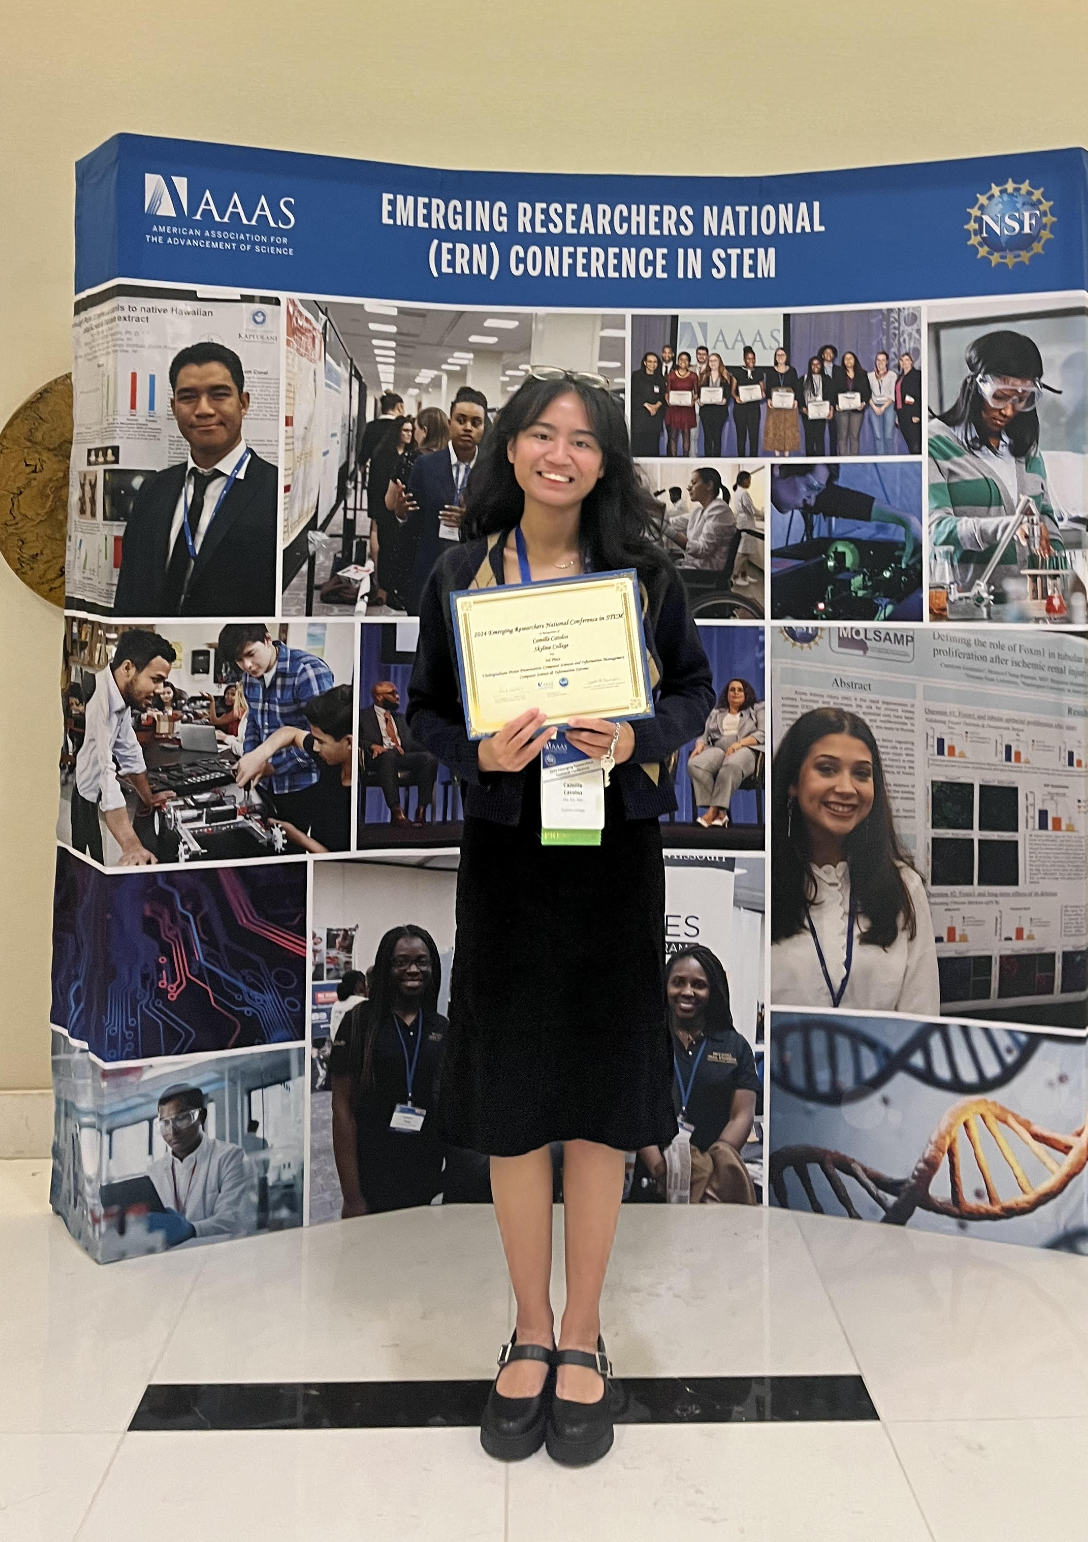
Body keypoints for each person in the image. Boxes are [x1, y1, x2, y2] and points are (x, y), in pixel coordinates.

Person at [406, 371, 712, 1467]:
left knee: (595, 1093)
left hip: (610, 856)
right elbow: (425, 712)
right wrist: (476, 750)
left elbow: (693, 690)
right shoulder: (461, 572)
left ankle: (584, 1332)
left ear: (606, 461)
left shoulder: (645, 574)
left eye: (584, 439)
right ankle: (527, 1327)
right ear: (512, 450)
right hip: (509, 859)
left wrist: (637, 738)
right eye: (543, 433)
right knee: (516, 1095)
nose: (560, 453)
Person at [770, 708, 938, 1013]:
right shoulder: (763, 878)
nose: (846, 788)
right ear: (793, 781)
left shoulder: (903, 888)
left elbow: (920, 1016)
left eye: (861, 773)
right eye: (827, 769)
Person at [112, 342, 279, 615]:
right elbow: (130, 589)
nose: (203, 409)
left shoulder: (274, 492)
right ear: (174, 406)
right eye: (188, 397)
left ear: (243, 403)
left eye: (218, 394)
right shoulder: (154, 489)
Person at [927, 330, 1076, 598]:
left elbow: (1047, 520)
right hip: (968, 609)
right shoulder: (935, 443)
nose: (1008, 410)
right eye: (999, 397)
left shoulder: (1026, 449)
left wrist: (1054, 578)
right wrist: (1005, 527)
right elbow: (936, 531)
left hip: (1032, 608)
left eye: (1021, 399)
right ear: (976, 386)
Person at [328, 925, 449, 1217]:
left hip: (428, 1177)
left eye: (422, 961)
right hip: (372, 1177)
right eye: (401, 961)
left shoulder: (440, 1027)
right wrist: (352, 1196)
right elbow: (342, 1109)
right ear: (386, 967)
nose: (413, 969)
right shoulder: (360, 1021)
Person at [636, 948, 758, 1204]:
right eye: (678, 982)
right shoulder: (645, 1042)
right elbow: (635, 1107)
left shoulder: (735, 1047)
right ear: (665, 987)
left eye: (698, 985)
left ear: (712, 991)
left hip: (714, 1189)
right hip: (653, 1183)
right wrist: (660, 1170)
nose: (687, 992)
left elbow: (742, 1114)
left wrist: (713, 1167)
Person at [70, 629, 179, 867]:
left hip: (94, 792)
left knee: (96, 856)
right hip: (85, 794)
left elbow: (129, 750)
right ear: (128, 668)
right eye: (156, 679)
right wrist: (132, 845)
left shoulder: (122, 695)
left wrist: (148, 797)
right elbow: (105, 771)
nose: (160, 689)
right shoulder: (100, 698)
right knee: (84, 863)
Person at [218, 623, 335, 842]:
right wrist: (251, 756)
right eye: (239, 661)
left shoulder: (307, 672)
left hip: (301, 787)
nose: (247, 666)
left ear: (268, 640)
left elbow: (325, 744)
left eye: (250, 654)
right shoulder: (249, 676)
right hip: (264, 786)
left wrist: (271, 766)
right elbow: (254, 719)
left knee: (290, 849)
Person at [391, 388, 488, 601]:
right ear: (449, 423)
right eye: (461, 420)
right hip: (430, 564)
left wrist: (469, 520)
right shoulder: (426, 465)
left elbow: (499, 524)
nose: (467, 428)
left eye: (475, 423)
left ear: (483, 427)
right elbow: (413, 523)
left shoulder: (491, 471)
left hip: (476, 569)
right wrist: (401, 514)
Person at [236, 681, 355, 853]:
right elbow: (291, 733)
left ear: (349, 742)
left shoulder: (357, 799)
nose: (314, 748)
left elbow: (339, 862)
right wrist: (259, 756)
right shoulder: (330, 755)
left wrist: (298, 837)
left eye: (321, 742)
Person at [144, 1085, 257, 1242]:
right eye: (165, 1123)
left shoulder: (230, 1157)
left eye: (181, 1118)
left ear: (201, 1116)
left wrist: (191, 1230)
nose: (172, 1131)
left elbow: (234, 1220)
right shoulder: (153, 1172)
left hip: (217, 1256)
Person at [771, 464, 921, 569]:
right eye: (810, 487)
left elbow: (844, 501)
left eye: (818, 493)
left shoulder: (806, 496)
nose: (811, 501)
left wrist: (908, 519)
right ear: (779, 468)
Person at [687, 677, 764, 828]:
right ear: (727, 694)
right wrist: (700, 744)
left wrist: (739, 744)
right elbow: (704, 733)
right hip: (719, 749)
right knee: (695, 764)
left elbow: (763, 733)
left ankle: (712, 812)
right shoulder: (716, 712)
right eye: (732, 690)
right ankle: (720, 814)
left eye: (739, 689)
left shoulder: (757, 708)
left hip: (746, 748)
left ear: (746, 692)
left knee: (730, 766)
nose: (735, 692)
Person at [360, 679, 440, 825]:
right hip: (378, 758)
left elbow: (411, 743)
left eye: (396, 693)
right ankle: (396, 810)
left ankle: (421, 811)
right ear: (378, 696)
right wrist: (372, 745)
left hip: (401, 755)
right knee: (388, 756)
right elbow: (355, 739)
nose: (397, 696)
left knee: (429, 758)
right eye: (392, 693)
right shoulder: (363, 717)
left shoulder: (400, 718)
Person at [368, 414, 419, 610]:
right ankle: (383, 588)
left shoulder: (410, 454)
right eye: (405, 430)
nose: (408, 434)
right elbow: (376, 484)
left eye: (411, 431)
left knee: (398, 550)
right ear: (397, 432)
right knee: (386, 549)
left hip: (402, 511)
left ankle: (393, 589)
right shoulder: (384, 454)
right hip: (384, 508)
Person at [676, 467, 737, 572]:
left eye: (694, 483)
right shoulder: (699, 510)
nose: (688, 488)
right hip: (694, 565)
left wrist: (669, 532)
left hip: (707, 573)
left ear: (709, 485)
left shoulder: (720, 510)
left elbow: (702, 550)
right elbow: (673, 522)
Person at [762, 348, 803, 456]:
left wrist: (796, 400)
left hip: (789, 405)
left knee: (788, 427)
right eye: (778, 355)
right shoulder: (770, 371)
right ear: (775, 357)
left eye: (782, 354)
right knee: (775, 426)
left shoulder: (792, 371)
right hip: (775, 405)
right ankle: (776, 452)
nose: (780, 356)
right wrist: (768, 399)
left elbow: (797, 387)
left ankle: (787, 452)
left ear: (786, 357)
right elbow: (768, 387)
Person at [358, 391, 406, 478]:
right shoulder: (403, 426)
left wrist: (362, 462)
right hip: (397, 475)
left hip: (376, 473)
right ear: (399, 406)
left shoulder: (372, 425)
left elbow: (366, 449)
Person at [662, 351, 699, 458]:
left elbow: (696, 393)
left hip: (687, 409)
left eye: (686, 360)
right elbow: (667, 392)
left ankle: (685, 457)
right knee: (673, 435)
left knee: (686, 434)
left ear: (689, 362)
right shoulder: (671, 375)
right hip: (674, 408)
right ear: (678, 361)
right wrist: (668, 399)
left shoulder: (693, 376)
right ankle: (673, 458)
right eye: (681, 359)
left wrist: (693, 400)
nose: (683, 362)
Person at [731, 470, 766, 581]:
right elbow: (751, 509)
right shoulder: (744, 493)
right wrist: (763, 513)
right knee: (743, 554)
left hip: (742, 524)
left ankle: (744, 575)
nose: (750, 482)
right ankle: (735, 577)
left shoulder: (737, 492)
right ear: (744, 480)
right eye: (749, 480)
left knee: (746, 552)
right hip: (746, 525)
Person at [697, 350, 732, 458]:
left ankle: (717, 458)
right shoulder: (703, 376)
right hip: (706, 411)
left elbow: (728, 393)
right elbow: (698, 392)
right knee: (708, 436)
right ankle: (707, 459)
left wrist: (725, 400)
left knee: (717, 436)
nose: (713, 363)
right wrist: (699, 400)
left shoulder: (726, 376)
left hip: (719, 411)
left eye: (715, 360)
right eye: (710, 360)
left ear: (719, 362)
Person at [630, 351, 665, 457]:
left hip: (654, 418)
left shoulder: (660, 378)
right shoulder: (636, 376)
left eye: (655, 362)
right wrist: (647, 406)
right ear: (645, 362)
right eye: (650, 361)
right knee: (639, 447)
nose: (652, 364)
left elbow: (663, 396)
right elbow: (634, 394)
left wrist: (656, 406)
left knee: (653, 447)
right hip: (640, 417)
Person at [731, 347, 764, 457]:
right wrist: (736, 397)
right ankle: (741, 459)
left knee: (754, 436)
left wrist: (762, 394)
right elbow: (732, 391)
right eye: (748, 359)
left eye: (753, 359)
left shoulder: (759, 373)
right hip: (740, 408)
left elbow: (762, 390)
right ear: (744, 359)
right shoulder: (737, 372)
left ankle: (753, 459)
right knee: (741, 435)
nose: (751, 361)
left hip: (754, 408)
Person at [833, 350, 867, 455]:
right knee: (842, 436)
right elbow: (833, 391)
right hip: (842, 410)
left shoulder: (862, 374)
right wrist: (835, 404)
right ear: (843, 361)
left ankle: (853, 461)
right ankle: (843, 461)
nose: (848, 360)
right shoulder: (838, 374)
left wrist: (863, 403)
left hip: (857, 410)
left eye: (850, 358)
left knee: (854, 436)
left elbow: (867, 391)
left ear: (855, 360)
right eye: (846, 358)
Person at [867, 351, 898, 455]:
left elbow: (893, 394)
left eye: (883, 360)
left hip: (888, 406)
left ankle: (890, 461)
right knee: (878, 436)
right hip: (873, 406)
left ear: (887, 362)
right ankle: (880, 461)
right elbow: (867, 394)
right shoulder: (869, 376)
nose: (880, 362)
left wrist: (883, 407)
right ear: (875, 362)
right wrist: (875, 407)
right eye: (878, 360)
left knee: (888, 436)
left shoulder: (892, 375)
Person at [801, 355, 833, 457]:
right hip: (808, 413)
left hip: (821, 413)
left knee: (820, 438)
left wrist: (830, 410)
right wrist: (803, 408)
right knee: (809, 438)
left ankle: (820, 463)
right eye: (813, 364)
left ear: (821, 366)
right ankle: (809, 464)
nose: (815, 366)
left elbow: (831, 396)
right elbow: (798, 395)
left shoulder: (827, 379)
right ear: (810, 366)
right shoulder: (804, 378)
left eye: (818, 364)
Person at [894, 350, 923, 455]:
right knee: (909, 443)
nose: (904, 362)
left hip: (912, 415)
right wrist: (897, 414)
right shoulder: (900, 377)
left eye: (907, 360)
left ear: (912, 361)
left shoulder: (917, 375)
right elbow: (898, 397)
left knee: (915, 444)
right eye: (902, 360)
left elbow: (920, 396)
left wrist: (918, 414)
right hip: (902, 415)